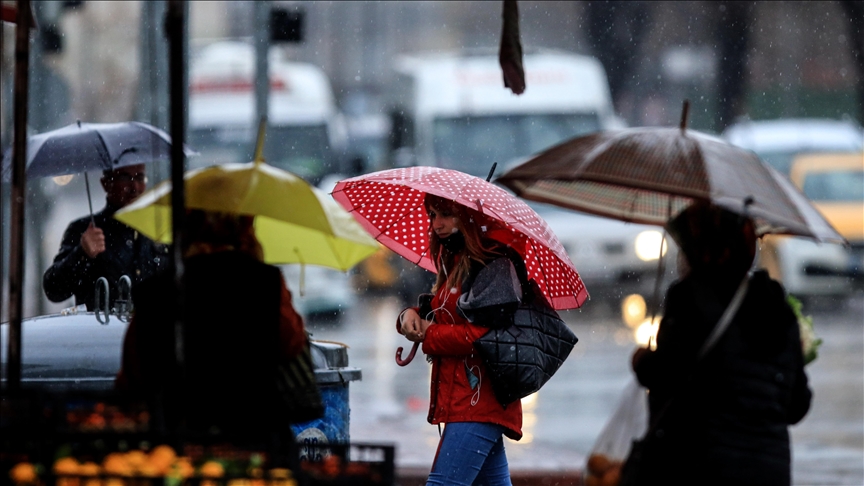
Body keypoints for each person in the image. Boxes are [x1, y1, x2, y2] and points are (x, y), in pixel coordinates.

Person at [628, 202, 812, 486]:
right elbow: (796, 406)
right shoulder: (778, 309)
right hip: (767, 472)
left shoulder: (688, 299)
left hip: (700, 466)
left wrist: (642, 361)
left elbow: (664, 375)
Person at [115, 209, 312, 437]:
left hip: (177, 436)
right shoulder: (263, 281)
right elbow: (291, 343)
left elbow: (133, 374)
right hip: (255, 432)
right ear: (243, 230)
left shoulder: (156, 290)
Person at [398, 194, 526, 486]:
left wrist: (429, 332)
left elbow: (484, 335)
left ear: (467, 217)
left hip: (480, 398)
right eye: (432, 215)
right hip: (465, 398)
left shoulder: (493, 264)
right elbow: (446, 313)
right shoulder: (453, 260)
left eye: (445, 214)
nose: (436, 224)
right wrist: (408, 316)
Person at [43, 164, 169, 310]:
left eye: (139, 177)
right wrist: (82, 254)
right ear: (106, 183)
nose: (134, 186)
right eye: (124, 177)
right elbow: (54, 290)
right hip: (100, 331)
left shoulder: (160, 229)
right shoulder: (84, 230)